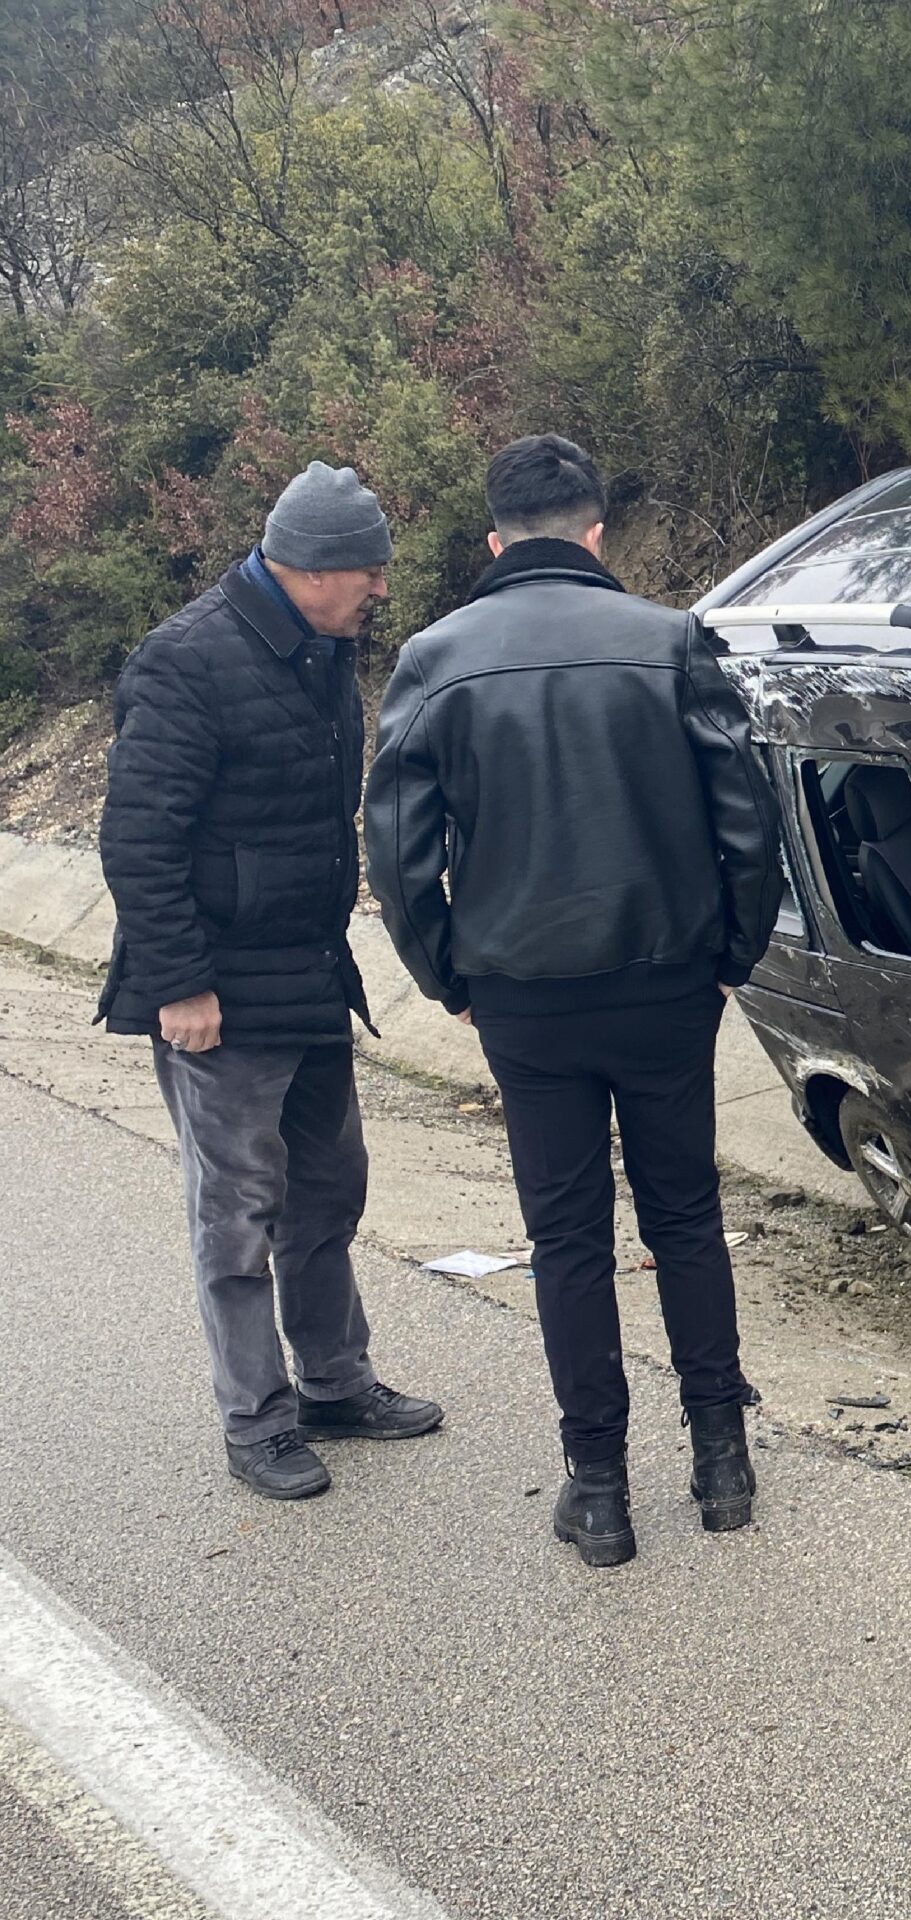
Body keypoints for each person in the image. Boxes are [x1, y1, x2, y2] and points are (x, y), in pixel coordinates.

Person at [363, 435, 783, 1568]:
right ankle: (721, 1465)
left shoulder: (436, 657)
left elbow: (396, 848)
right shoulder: (670, 640)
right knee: (685, 1214)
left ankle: (598, 1491)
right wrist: (734, 949)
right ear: (597, 532)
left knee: (565, 1239)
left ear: (495, 539)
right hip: (665, 981)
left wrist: (445, 971)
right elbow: (747, 813)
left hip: (522, 993)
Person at [96, 463, 445, 1500]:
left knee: (329, 1191)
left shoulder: (318, 649)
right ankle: (256, 1419)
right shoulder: (187, 659)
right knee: (237, 1212)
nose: (381, 589)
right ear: (308, 569)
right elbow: (138, 839)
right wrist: (179, 985)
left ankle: (336, 1382)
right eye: (368, 572)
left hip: (308, 973)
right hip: (217, 996)